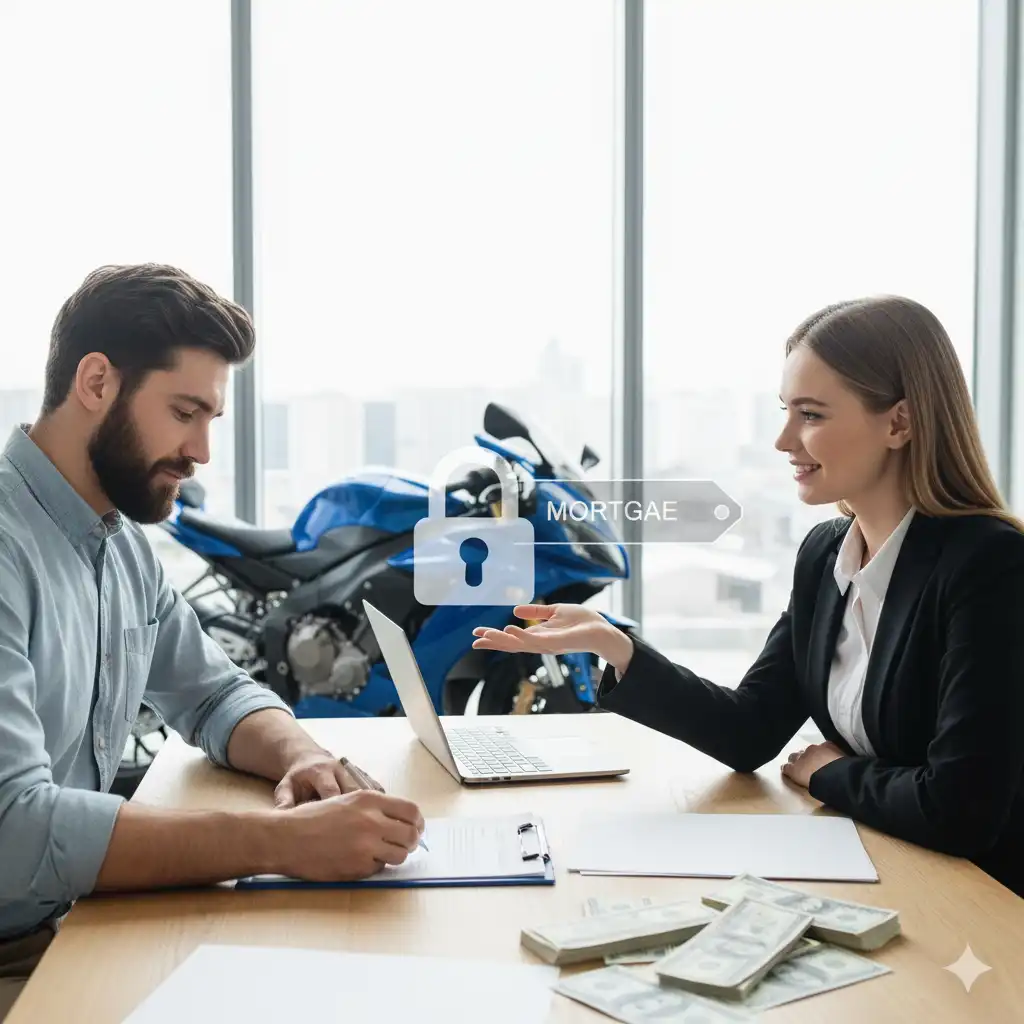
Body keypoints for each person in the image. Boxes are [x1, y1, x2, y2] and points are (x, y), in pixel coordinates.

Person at [473, 295, 1024, 899]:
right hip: (891, 868)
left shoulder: (989, 565)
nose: (784, 439)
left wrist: (833, 775)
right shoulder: (825, 555)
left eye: (811, 415)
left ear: (899, 422)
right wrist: (616, 645)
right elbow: (749, 731)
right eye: (786, 411)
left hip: (983, 905)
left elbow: (960, 808)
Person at [0, 265, 424, 1018]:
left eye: (210, 421)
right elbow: (13, 835)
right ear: (96, 382)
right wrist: (280, 843)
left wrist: (306, 760)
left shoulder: (119, 545)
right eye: (184, 412)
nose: (199, 451)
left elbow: (214, 691)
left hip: (66, 924)